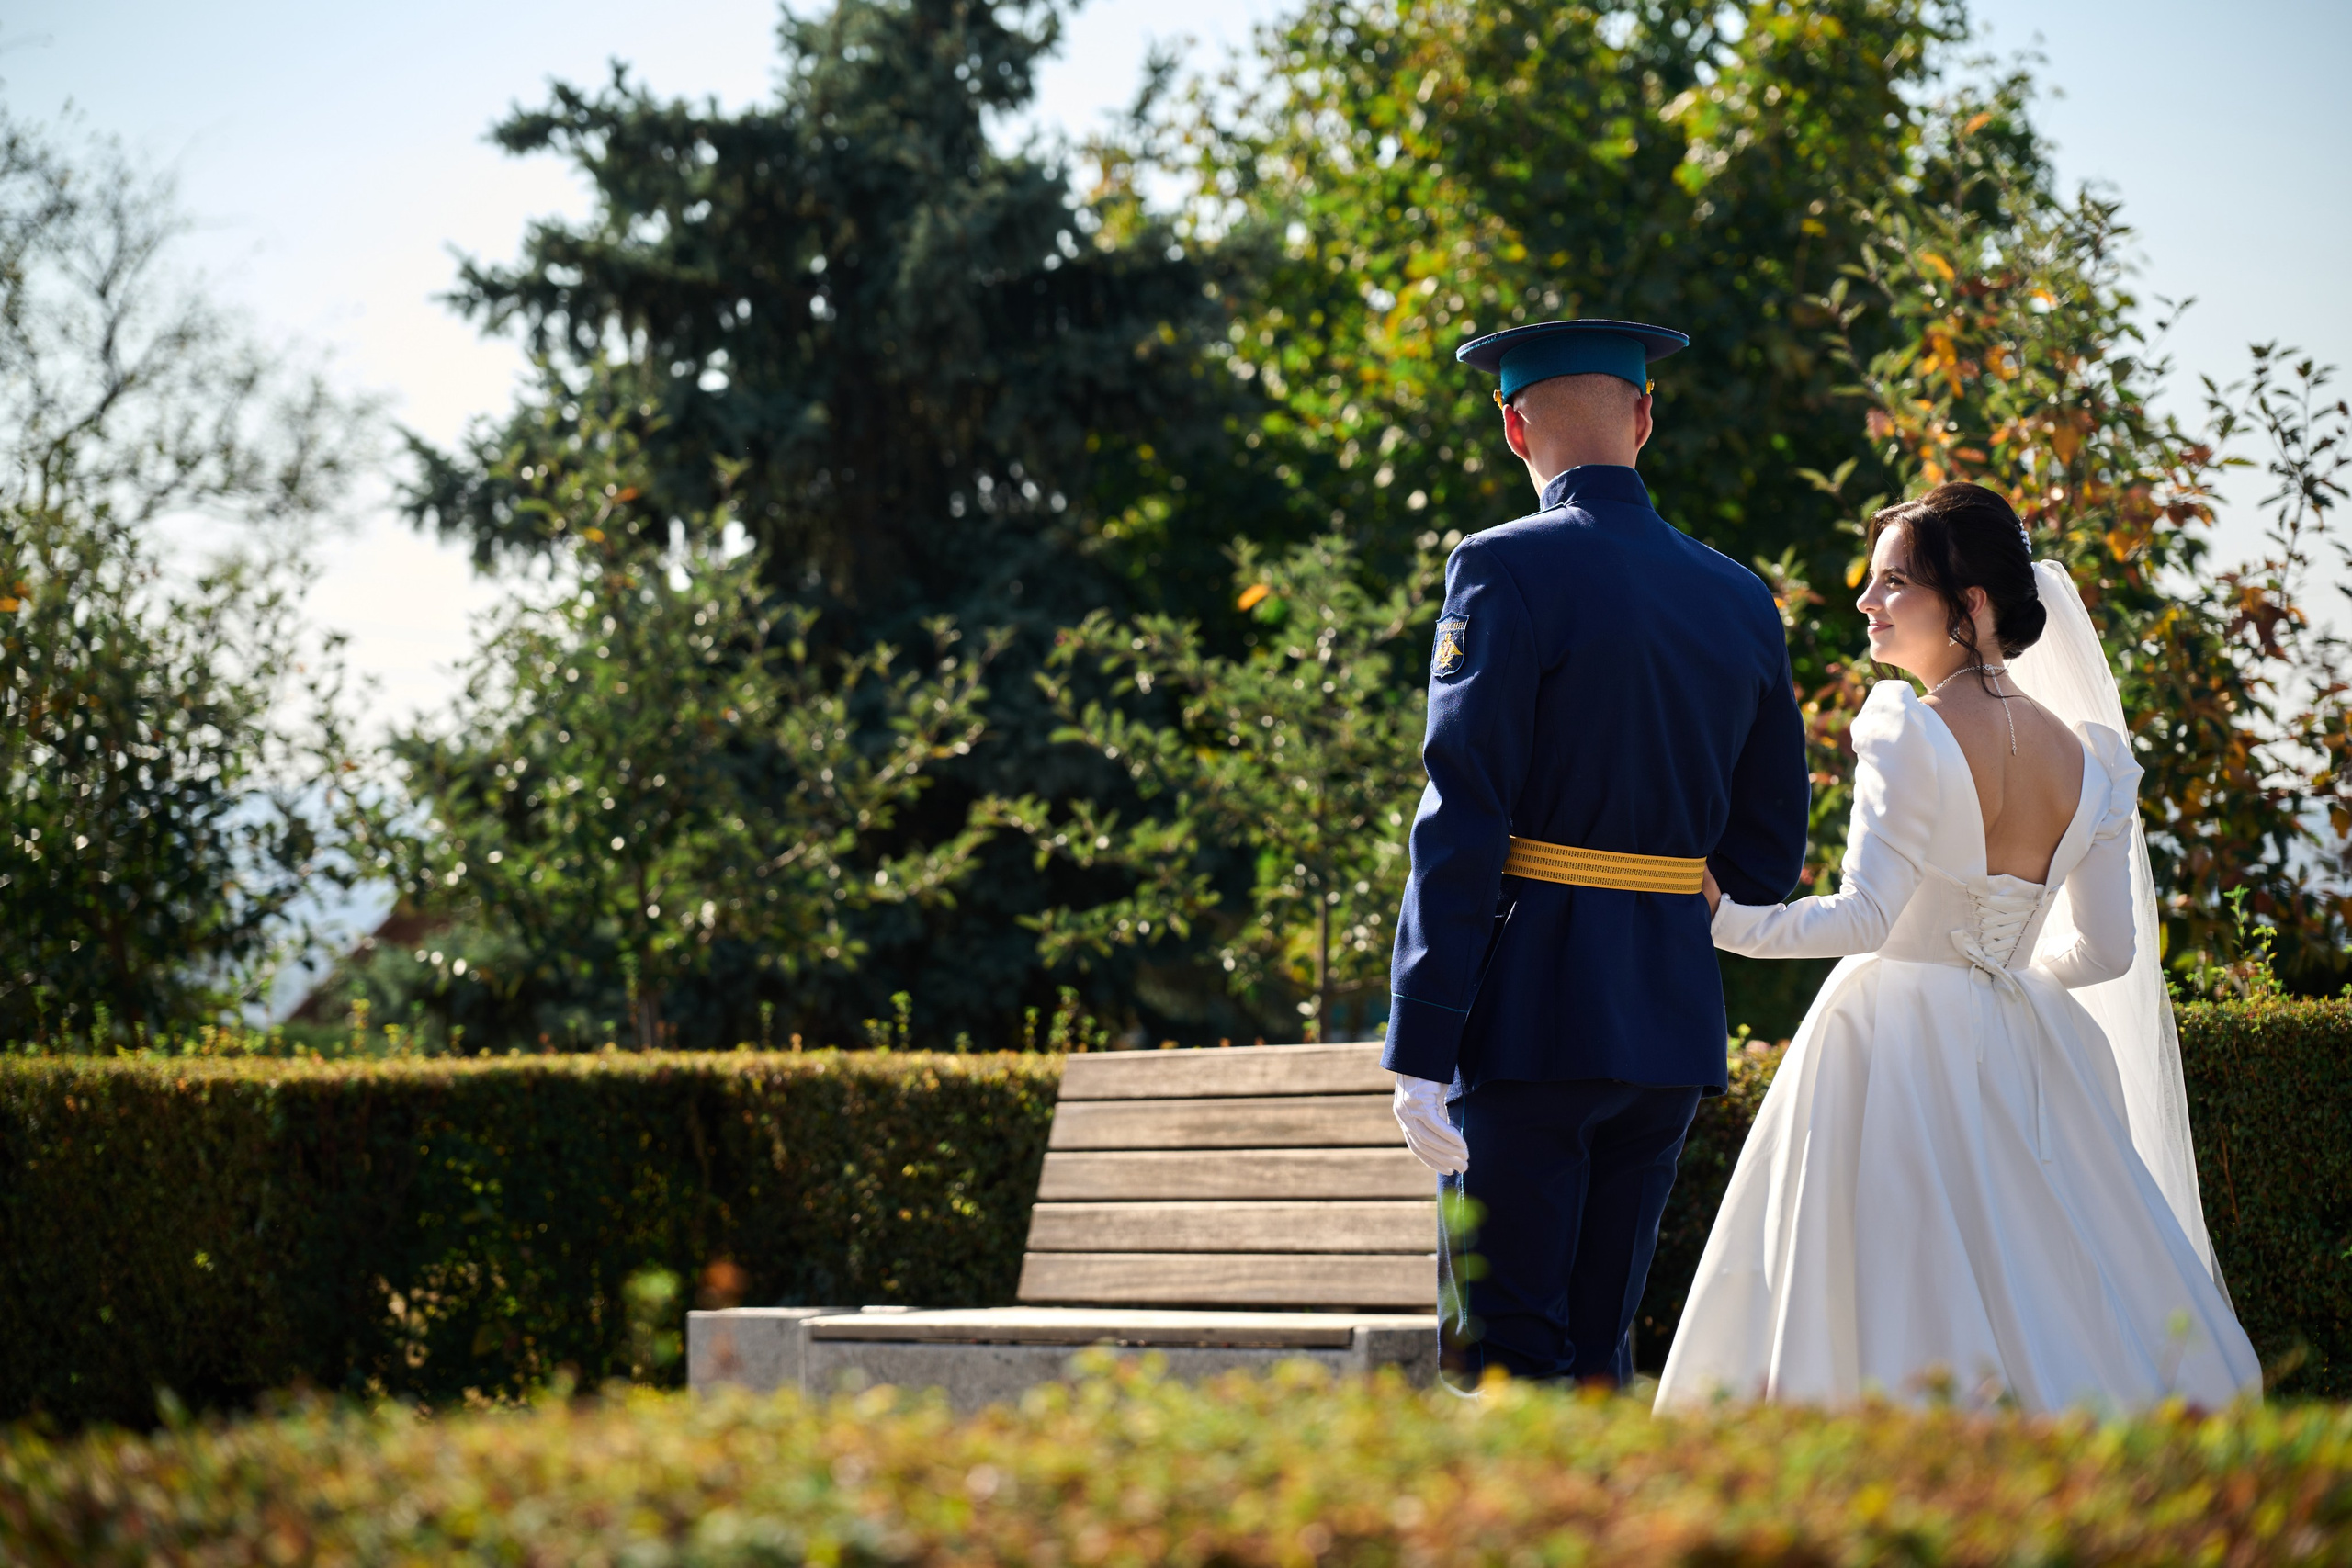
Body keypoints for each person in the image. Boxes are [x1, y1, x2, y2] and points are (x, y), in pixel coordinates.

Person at [1655, 482, 2261, 1413]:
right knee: (2059, 1280)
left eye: (1893, 583)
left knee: (1881, 1285)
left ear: (1970, 606)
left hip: (1886, 1040)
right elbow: (2106, 952)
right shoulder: (2094, 761)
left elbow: (1864, 919)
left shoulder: (1906, 728)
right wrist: (2005, 981)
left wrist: (1725, 920)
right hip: (2026, 1040)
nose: (1866, 601)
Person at [1384, 317, 1811, 1387]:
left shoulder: (1498, 566)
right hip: (1667, 1022)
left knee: (1506, 1358)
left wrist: (1422, 1040)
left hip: (1527, 1015)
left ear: (1512, 426)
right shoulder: (1737, 594)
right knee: (1597, 1347)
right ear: (1646, 418)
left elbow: (1463, 813)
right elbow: (1768, 855)